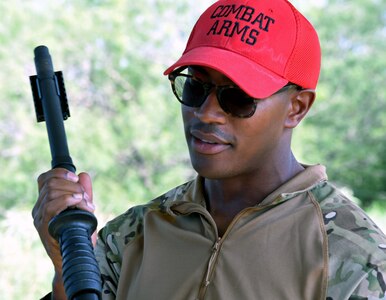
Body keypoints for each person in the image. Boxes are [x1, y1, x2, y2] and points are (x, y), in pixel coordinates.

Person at [33, 0, 386, 299]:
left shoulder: (355, 258)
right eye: (195, 87)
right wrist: (67, 266)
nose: (206, 113)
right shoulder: (132, 236)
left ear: (296, 108)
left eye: (238, 98)